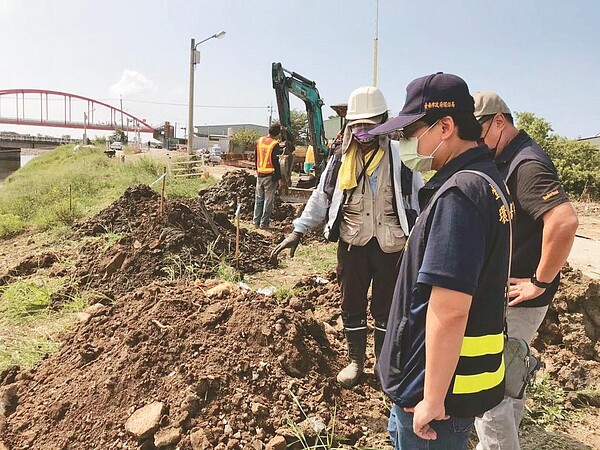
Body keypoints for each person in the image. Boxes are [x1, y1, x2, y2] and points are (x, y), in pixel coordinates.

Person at [374, 73, 511, 449]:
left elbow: (450, 310)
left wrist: (431, 400)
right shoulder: (485, 180)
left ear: (445, 126)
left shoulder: (459, 196)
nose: (405, 144)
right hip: (446, 385)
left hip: (435, 400)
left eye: (409, 133)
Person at [271, 86, 424, 389]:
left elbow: (419, 197)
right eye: (357, 125)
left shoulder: (401, 156)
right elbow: (322, 196)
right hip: (353, 243)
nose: (362, 131)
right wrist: (298, 231)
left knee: (387, 306)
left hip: (391, 244)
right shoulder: (342, 157)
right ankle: (356, 361)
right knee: (351, 302)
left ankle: (382, 364)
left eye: (369, 124)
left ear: (384, 121)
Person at [473, 91, 579, 450]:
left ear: (499, 121)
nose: (477, 140)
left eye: (480, 130)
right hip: (508, 296)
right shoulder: (507, 157)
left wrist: (540, 280)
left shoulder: (527, 164)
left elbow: (564, 222)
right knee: (509, 374)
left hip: (519, 299)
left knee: (490, 392)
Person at [253, 124, 283, 228]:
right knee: (268, 201)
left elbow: (256, 157)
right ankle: (264, 223)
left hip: (260, 174)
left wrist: (257, 170)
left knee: (258, 199)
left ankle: (256, 222)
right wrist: (279, 178)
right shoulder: (275, 144)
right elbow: (275, 162)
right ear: (278, 133)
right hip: (270, 176)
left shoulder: (259, 141)